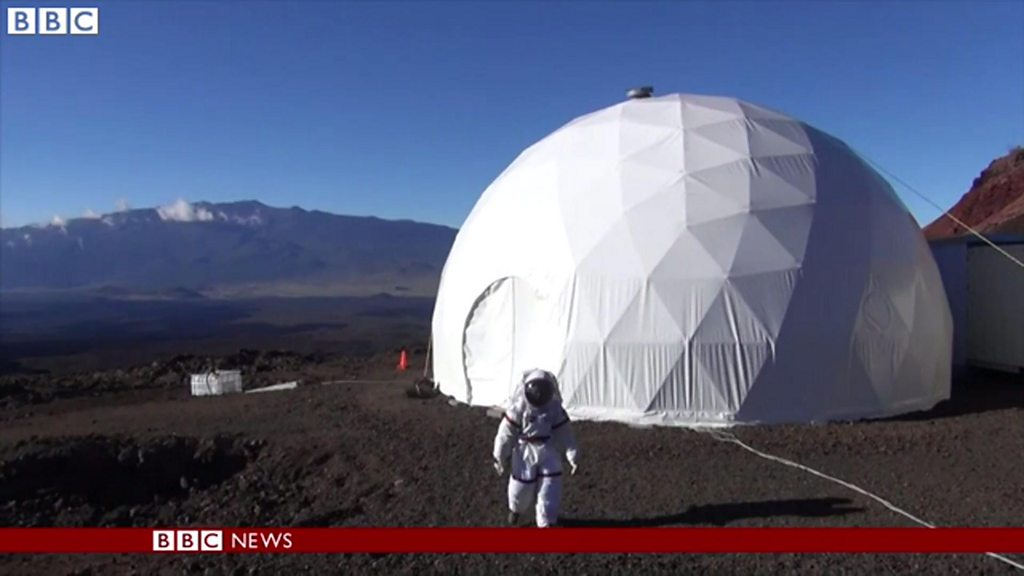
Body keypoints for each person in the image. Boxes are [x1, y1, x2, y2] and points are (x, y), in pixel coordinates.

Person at [492, 368, 579, 527]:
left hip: (548, 450)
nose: (539, 395)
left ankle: (547, 522)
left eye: (542, 392)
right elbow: (506, 432)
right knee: (521, 486)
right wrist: (500, 454)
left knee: (550, 486)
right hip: (525, 451)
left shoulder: (554, 409)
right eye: (536, 391)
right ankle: (516, 509)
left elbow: (565, 432)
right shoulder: (519, 408)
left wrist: (572, 455)